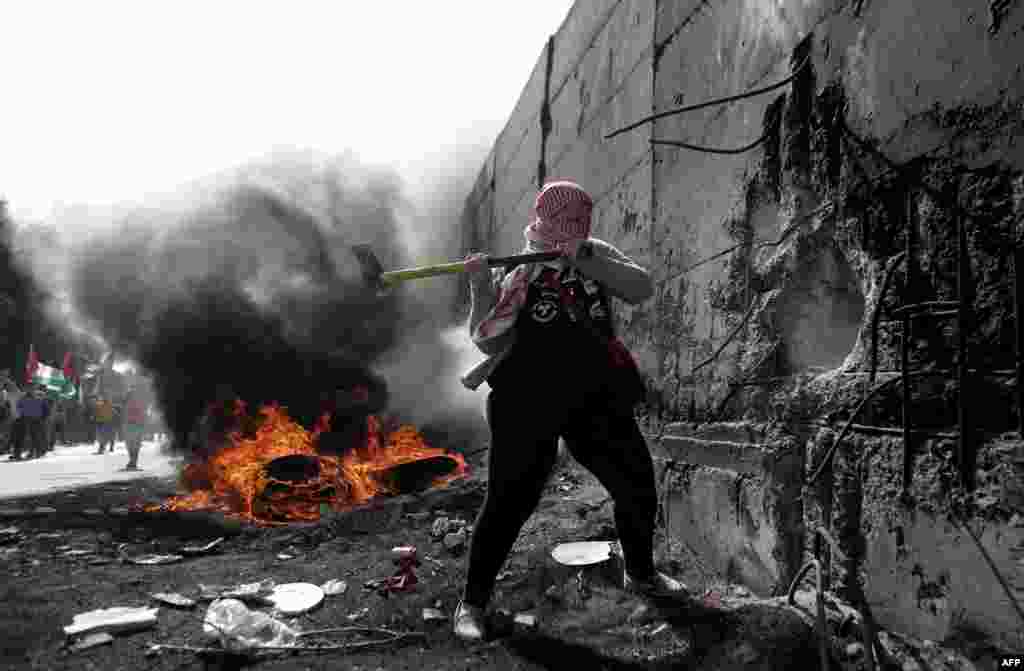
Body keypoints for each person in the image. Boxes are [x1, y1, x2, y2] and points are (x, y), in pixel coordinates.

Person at [452, 181, 686, 641]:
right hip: (527, 399)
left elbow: (640, 286)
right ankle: (473, 603)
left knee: (636, 485)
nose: (574, 229)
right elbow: (486, 337)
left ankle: (641, 574)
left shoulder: (594, 252)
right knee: (509, 501)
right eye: (566, 222)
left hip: (595, 396)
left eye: (581, 220)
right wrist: (480, 282)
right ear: (544, 219)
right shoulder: (520, 270)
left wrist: (587, 257)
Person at [15, 387, 49, 460]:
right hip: (25, 418)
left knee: (35, 436)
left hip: (36, 419)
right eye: (29, 387)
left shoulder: (40, 396)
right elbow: (18, 406)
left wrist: (43, 417)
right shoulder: (23, 397)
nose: (30, 389)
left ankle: (35, 452)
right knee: (21, 436)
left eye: (32, 387)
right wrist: (20, 414)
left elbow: (45, 407)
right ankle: (18, 453)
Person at [121, 386, 147, 470]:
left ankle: (133, 461)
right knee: (134, 445)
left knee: (132, 445)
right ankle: (133, 461)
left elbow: (142, 414)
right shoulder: (136, 402)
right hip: (134, 425)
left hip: (132, 424)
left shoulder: (129, 402)